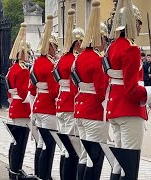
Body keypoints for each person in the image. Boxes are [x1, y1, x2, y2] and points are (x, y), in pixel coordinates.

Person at [105, 1, 151, 179]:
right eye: (138, 24)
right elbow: (132, 90)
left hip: (114, 108)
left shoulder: (111, 47)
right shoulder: (130, 49)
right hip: (128, 110)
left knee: (118, 165)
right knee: (130, 164)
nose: (139, 29)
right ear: (132, 24)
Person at [72, 1, 109, 179]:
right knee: (95, 157)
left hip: (80, 109)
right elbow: (101, 90)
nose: (105, 44)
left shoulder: (78, 58)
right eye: (104, 39)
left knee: (85, 156)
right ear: (99, 39)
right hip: (93, 112)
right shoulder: (97, 59)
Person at [53, 9, 84, 180]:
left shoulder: (61, 59)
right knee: (73, 150)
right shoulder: (74, 60)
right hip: (71, 104)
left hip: (60, 103)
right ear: (77, 42)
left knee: (65, 149)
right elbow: (74, 87)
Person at [29, 15, 59, 179]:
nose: (55, 50)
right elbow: (54, 91)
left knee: (41, 144)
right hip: (48, 108)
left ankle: (39, 174)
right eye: (54, 47)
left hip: (38, 106)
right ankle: (45, 176)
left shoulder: (36, 64)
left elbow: (31, 89)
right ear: (49, 47)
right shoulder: (49, 65)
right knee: (49, 145)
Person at [6, 23, 36, 180]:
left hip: (14, 107)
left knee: (15, 141)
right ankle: (16, 171)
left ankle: (14, 169)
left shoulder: (13, 68)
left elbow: (10, 91)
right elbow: (25, 92)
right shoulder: (23, 70)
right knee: (20, 142)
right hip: (22, 108)